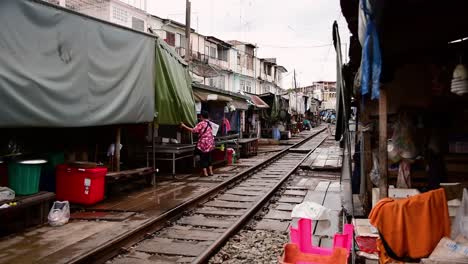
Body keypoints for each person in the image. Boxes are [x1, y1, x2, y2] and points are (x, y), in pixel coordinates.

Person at [180, 111, 215, 177]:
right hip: (210, 143)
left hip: (203, 143)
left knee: (203, 157)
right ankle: (211, 171)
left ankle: (205, 173)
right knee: (209, 157)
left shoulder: (201, 123)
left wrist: (184, 126)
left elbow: (193, 130)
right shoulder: (210, 123)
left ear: (201, 116)